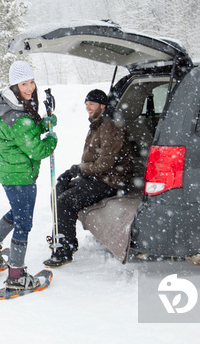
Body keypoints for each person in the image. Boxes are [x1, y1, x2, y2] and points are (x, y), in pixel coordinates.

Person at [0, 61, 58, 290]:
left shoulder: (10, 105)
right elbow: (35, 149)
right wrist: (51, 141)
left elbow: (26, 132)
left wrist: (43, 124)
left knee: (17, 212)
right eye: (24, 83)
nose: (30, 87)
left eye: (32, 82)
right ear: (15, 84)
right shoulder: (18, 116)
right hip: (20, 174)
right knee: (24, 222)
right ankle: (16, 275)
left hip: (10, 171)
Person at [43, 88, 134, 267]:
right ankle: (63, 237)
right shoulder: (98, 123)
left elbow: (105, 164)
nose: (88, 107)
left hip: (111, 180)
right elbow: (95, 159)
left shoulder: (110, 126)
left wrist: (78, 169)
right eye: (86, 104)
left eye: (91, 104)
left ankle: (64, 250)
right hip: (97, 177)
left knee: (65, 201)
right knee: (59, 190)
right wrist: (73, 173)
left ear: (102, 105)